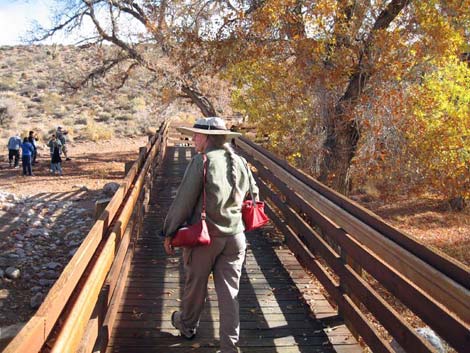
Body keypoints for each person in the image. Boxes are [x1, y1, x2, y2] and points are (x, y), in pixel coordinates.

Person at [161, 117, 259, 353]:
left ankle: (187, 326)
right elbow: (253, 194)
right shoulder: (241, 162)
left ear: (207, 137)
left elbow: (183, 201)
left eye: (196, 134)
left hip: (205, 238)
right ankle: (229, 346)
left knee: (195, 286)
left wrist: (169, 232)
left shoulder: (201, 161)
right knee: (230, 295)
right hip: (236, 238)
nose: (193, 138)